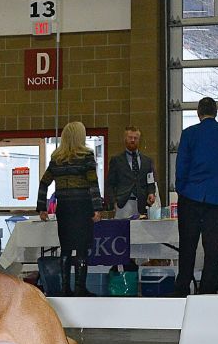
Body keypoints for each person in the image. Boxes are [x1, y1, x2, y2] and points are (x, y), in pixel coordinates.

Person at [37, 122, 102, 298]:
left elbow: (44, 182)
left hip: (64, 207)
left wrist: (41, 207)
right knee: (82, 249)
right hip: (82, 207)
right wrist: (97, 207)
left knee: (65, 248)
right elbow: (92, 184)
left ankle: (65, 289)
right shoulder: (86, 156)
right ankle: (80, 290)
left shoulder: (57, 158)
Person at [174, 97, 218, 296]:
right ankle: (207, 293)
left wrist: (182, 189)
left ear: (199, 113)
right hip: (217, 201)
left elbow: (181, 166)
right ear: (215, 112)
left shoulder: (189, 134)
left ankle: (182, 291)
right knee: (212, 250)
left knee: (187, 247)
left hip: (191, 198)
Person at [105, 126, 156, 218]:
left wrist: (151, 193)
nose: (133, 140)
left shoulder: (147, 161)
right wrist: (113, 203)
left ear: (139, 140)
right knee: (122, 231)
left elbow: (151, 181)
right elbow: (109, 184)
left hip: (142, 204)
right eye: (130, 137)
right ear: (125, 139)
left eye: (135, 138)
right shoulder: (116, 160)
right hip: (123, 204)